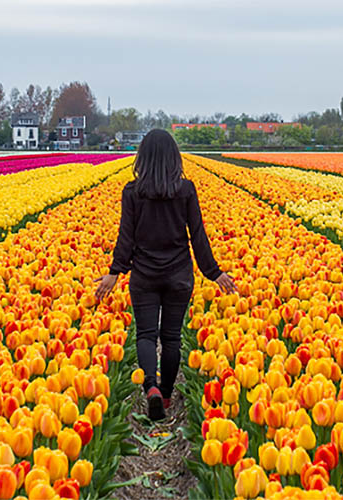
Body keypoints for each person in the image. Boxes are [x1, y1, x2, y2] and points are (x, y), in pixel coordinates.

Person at [94, 129, 236, 420]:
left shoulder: (133, 192)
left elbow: (126, 237)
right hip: (179, 274)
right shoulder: (185, 190)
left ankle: (151, 388)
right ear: (174, 157)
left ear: (142, 158)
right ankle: (168, 397)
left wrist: (115, 272)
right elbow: (198, 234)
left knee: (146, 334)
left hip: (144, 274)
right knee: (171, 338)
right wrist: (214, 272)